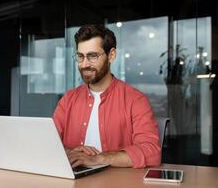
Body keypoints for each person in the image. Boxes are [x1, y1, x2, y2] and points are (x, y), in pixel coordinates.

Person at [53, 24, 161, 168]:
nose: (84, 64)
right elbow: (49, 143)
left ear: (111, 55)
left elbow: (152, 152)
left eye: (92, 56)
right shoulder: (68, 100)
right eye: (80, 56)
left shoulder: (135, 100)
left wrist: (100, 159)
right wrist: (70, 153)